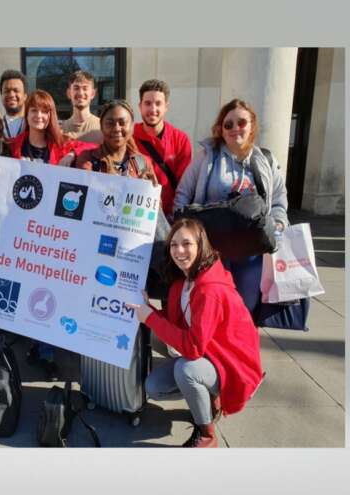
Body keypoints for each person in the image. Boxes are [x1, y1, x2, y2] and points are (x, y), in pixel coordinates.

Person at [130, 218, 264, 448]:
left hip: (231, 364)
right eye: (173, 245)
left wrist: (150, 317)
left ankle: (206, 434)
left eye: (186, 244)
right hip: (209, 353)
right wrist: (148, 309)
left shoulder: (210, 290)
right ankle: (207, 397)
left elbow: (192, 348)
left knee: (187, 369)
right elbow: (173, 325)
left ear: (201, 245)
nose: (179, 251)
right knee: (155, 387)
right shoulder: (182, 282)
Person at [8, 89, 96, 380]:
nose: (39, 116)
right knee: (28, 286)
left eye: (45, 111)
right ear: (27, 113)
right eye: (34, 110)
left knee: (52, 289)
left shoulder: (60, 143)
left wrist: (71, 154)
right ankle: (32, 343)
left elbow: (90, 145)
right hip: (23, 230)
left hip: (56, 231)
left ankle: (49, 348)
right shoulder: (12, 146)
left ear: (51, 115)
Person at [173, 98, 288, 316]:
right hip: (212, 249)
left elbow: (279, 198)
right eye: (229, 124)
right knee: (210, 306)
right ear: (221, 129)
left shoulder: (266, 159)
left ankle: (238, 347)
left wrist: (279, 224)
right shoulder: (206, 157)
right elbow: (183, 195)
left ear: (252, 125)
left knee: (244, 308)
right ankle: (212, 347)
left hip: (252, 250)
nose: (236, 128)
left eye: (242, 122)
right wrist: (183, 233)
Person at [133, 79, 192, 220]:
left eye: (158, 103)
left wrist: (176, 218)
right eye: (147, 103)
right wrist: (74, 152)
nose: (153, 109)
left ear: (166, 107)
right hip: (135, 216)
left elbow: (185, 187)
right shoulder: (129, 136)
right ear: (140, 106)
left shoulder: (180, 139)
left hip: (168, 218)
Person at [75, 99, 156, 184]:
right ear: (101, 127)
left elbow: (155, 196)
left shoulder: (143, 162)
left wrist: (147, 188)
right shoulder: (87, 159)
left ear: (132, 127)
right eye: (110, 123)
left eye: (122, 123)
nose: (117, 129)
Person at [60, 70, 103, 144]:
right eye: (76, 88)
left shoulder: (102, 127)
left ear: (93, 94)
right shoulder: (61, 130)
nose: (80, 93)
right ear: (69, 93)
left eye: (85, 88)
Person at [0, 70, 28, 139]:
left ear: (25, 96)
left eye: (16, 91)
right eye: (6, 91)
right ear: (1, 95)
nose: (11, 95)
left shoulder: (33, 125)